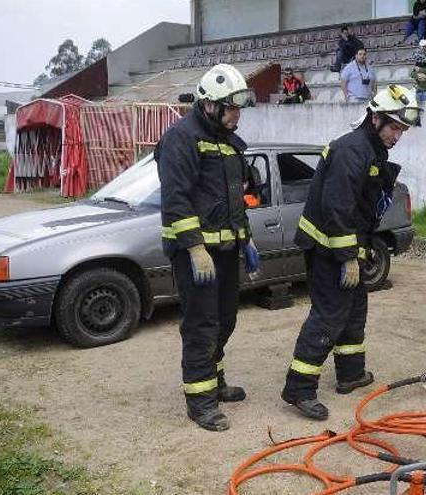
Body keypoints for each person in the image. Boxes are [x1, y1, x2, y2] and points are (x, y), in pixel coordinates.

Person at [281, 84, 422, 420]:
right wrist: (347, 256)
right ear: (375, 119)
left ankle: (350, 374)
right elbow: (337, 207)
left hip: (349, 245)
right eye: (395, 127)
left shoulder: (370, 150)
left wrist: (361, 251)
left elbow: (361, 209)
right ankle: (299, 388)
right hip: (328, 248)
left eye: (402, 129)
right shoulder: (351, 150)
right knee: (328, 315)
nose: (398, 136)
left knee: (355, 309)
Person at [156, 64, 258, 432]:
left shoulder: (227, 141)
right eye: (231, 108)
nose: (237, 114)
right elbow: (176, 200)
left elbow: (235, 199)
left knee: (225, 320)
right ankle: (200, 402)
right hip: (196, 255)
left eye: (239, 107)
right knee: (201, 325)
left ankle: (215, 383)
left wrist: (246, 240)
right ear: (210, 105)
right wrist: (195, 248)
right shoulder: (182, 138)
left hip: (227, 252)